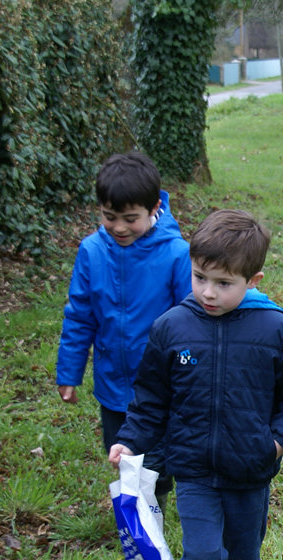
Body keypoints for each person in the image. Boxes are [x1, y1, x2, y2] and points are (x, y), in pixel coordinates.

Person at [109, 210, 283, 560]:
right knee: (203, 556)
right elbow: (151, 399)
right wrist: (130, 440)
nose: (208, 292)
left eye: (224, 283)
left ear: (252, 280)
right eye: (200, 277)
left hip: (250, 469)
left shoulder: (277, 331)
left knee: (244, 555)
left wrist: (278, 442)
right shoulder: (172, 328)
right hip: (192, 470)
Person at [56, 152, 192, 508]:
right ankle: (136, 508)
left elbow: (191, 321)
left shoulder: (176, 254)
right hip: (113, 383)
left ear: (154, 208)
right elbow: (80, 315)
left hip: (161, 385)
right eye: (109, 216)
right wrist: (69, 372)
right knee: (121, 454)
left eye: (130, 219)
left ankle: (154, 505)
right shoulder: (91, 251)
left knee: (156, 462)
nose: (118, 227)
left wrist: (190, 373)